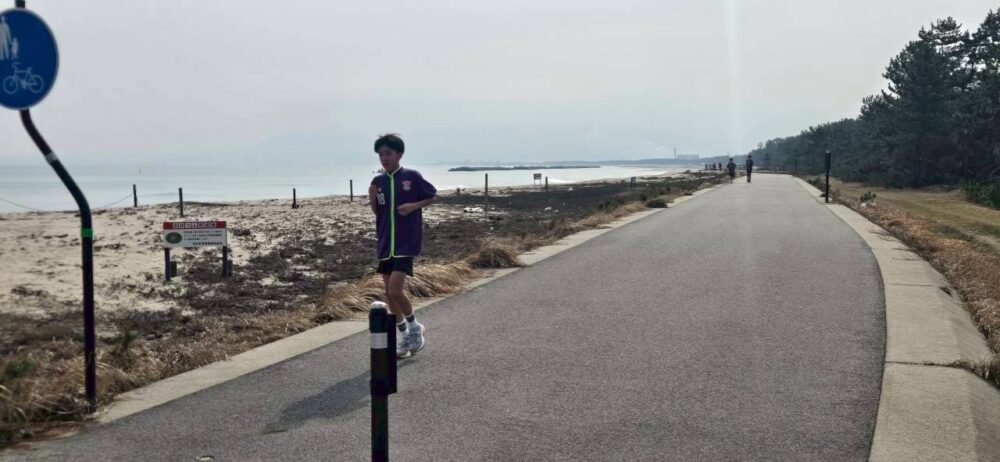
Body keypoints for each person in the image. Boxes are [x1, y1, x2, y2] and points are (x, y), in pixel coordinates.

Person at [368, 133, 437, 358]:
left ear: (399, 154)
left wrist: (413, 206)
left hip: (406, 242)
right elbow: (378, 211)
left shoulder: (411, 176)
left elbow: (431, 196)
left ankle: (415, 328)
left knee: (395, 290)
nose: (384, 158)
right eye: (380, 154)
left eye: (388, 153)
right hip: (385, 243)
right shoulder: (378, 182)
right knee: (390, 295)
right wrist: (372, 198)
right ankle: (405, 335)